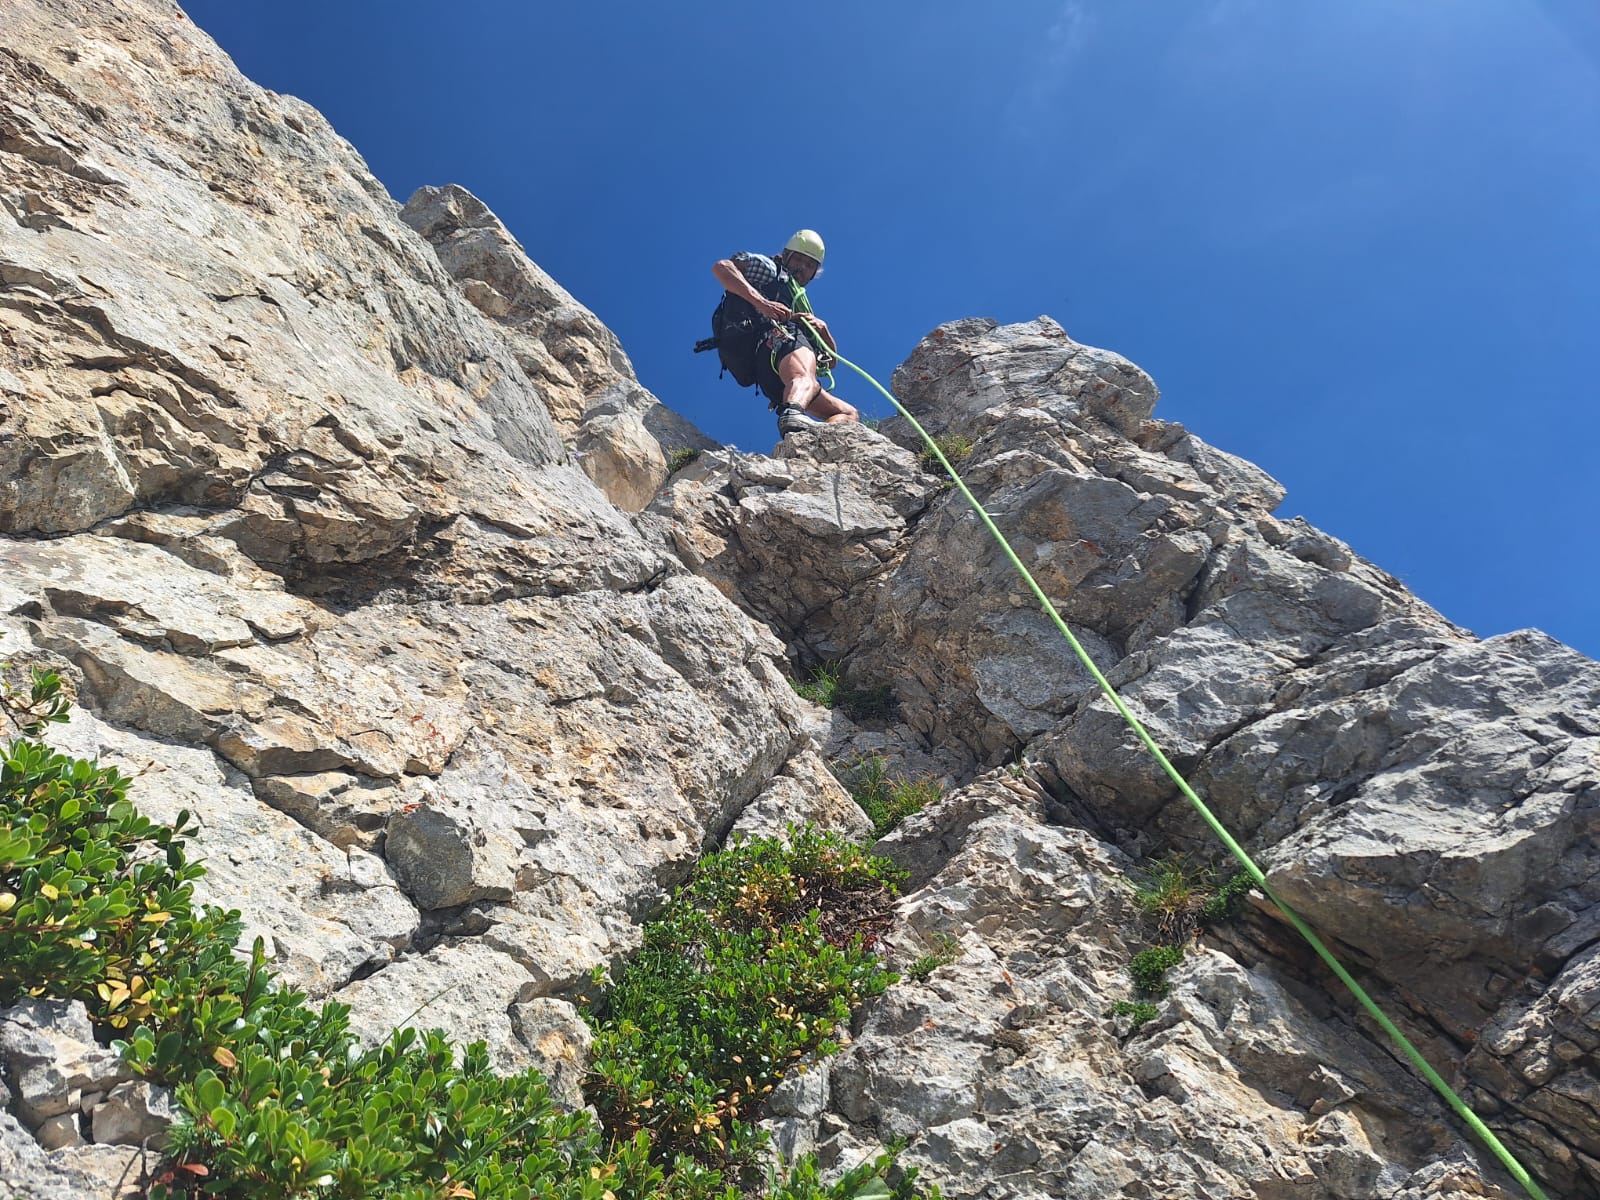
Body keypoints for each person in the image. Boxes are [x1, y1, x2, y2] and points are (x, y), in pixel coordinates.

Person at [711, 230, 860, 436]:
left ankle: (813, 439)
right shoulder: (771, 269)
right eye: (798, 259)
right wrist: (761, 303)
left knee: (848, 413)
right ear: (786, 255)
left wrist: (823, 332)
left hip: (775, 380)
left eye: (810, 265)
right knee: (804, 378)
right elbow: (723, 267)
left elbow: (830, 363)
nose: (802, 267)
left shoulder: (798, 302)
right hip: (778, 344)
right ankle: (793, 413)